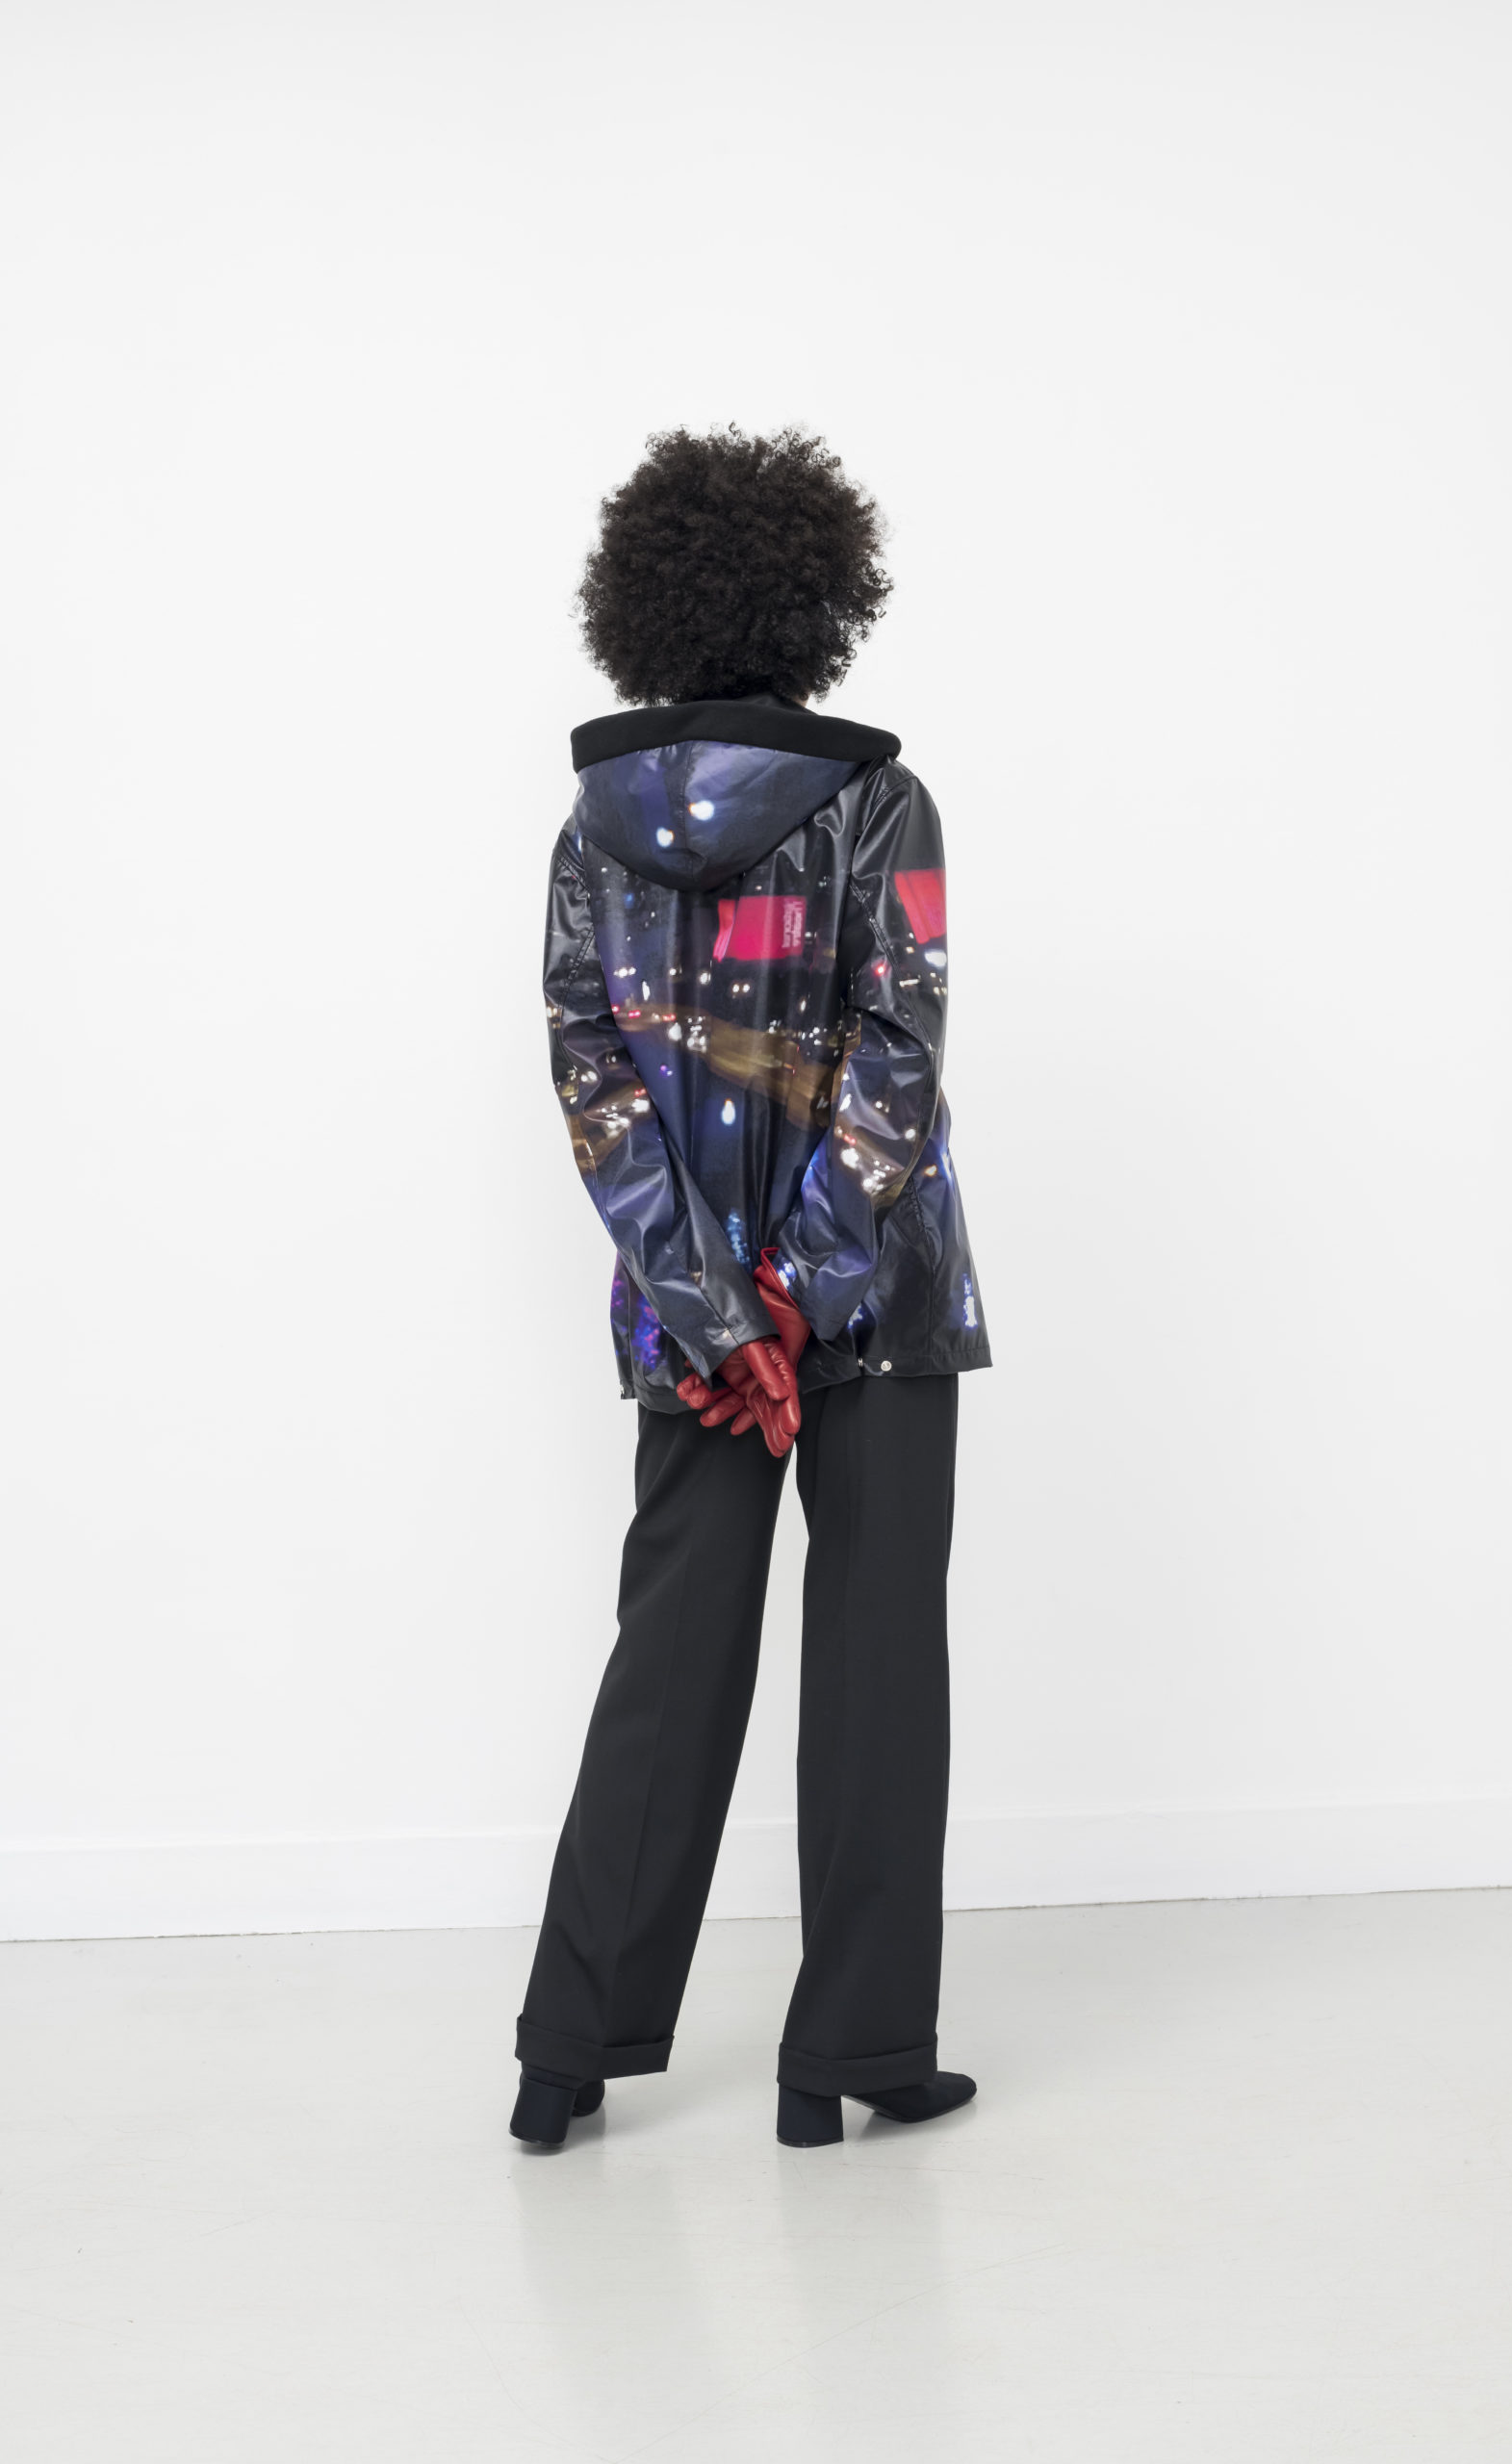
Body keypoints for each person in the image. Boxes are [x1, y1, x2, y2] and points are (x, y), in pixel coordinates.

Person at [511, 426, 991, 2149]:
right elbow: (899, 1051)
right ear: (817, 604)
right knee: (878, 1660)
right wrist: (803, 1290)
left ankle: (565, 2057)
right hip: (880, 1305)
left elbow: (592, 1079)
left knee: (671, 1654)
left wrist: (715, 1308)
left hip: (693, 1327)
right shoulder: (883, 806)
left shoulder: (591, 831)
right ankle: (851, 2053)